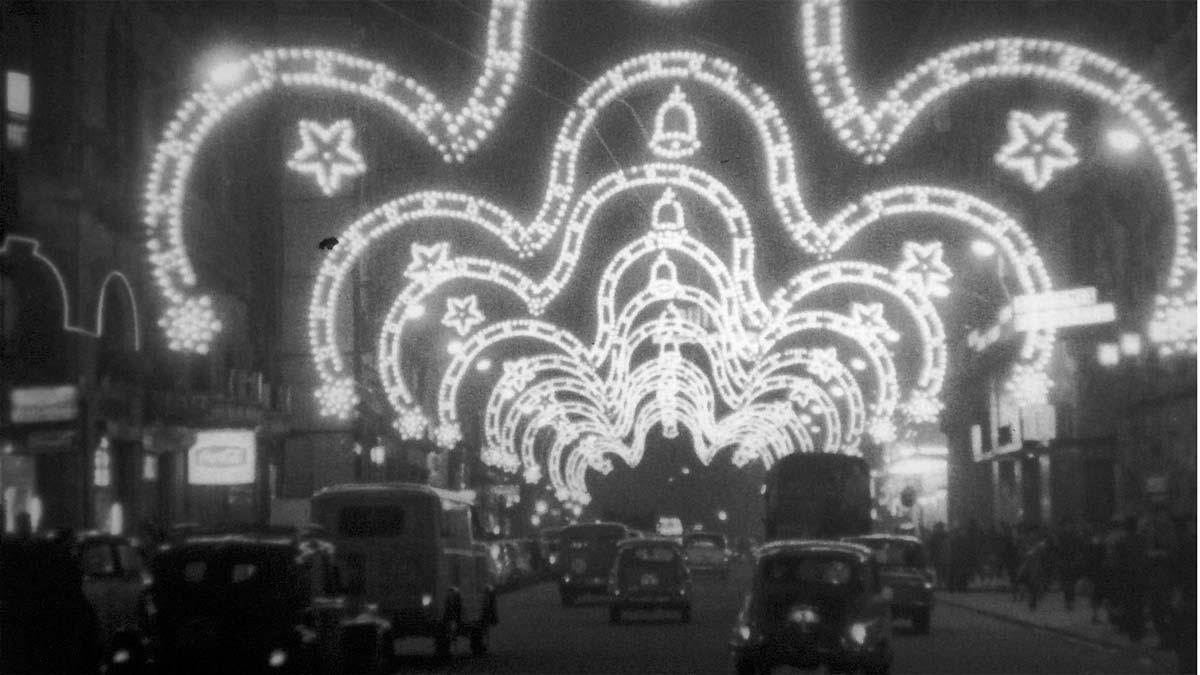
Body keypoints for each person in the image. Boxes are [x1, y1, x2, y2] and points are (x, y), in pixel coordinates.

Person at [1143, 507, 1179, 649]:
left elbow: (1174, 553)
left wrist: (1157, 554)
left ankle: (1169, 639)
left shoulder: (1171, 533)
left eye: (1162, 516)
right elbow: (1146, 551)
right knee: (1156, 610)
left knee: (1166, 610)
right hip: (1154, 577)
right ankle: (1165, 638)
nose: (1160, 519)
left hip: (1166, 578)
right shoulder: (1151, 532)